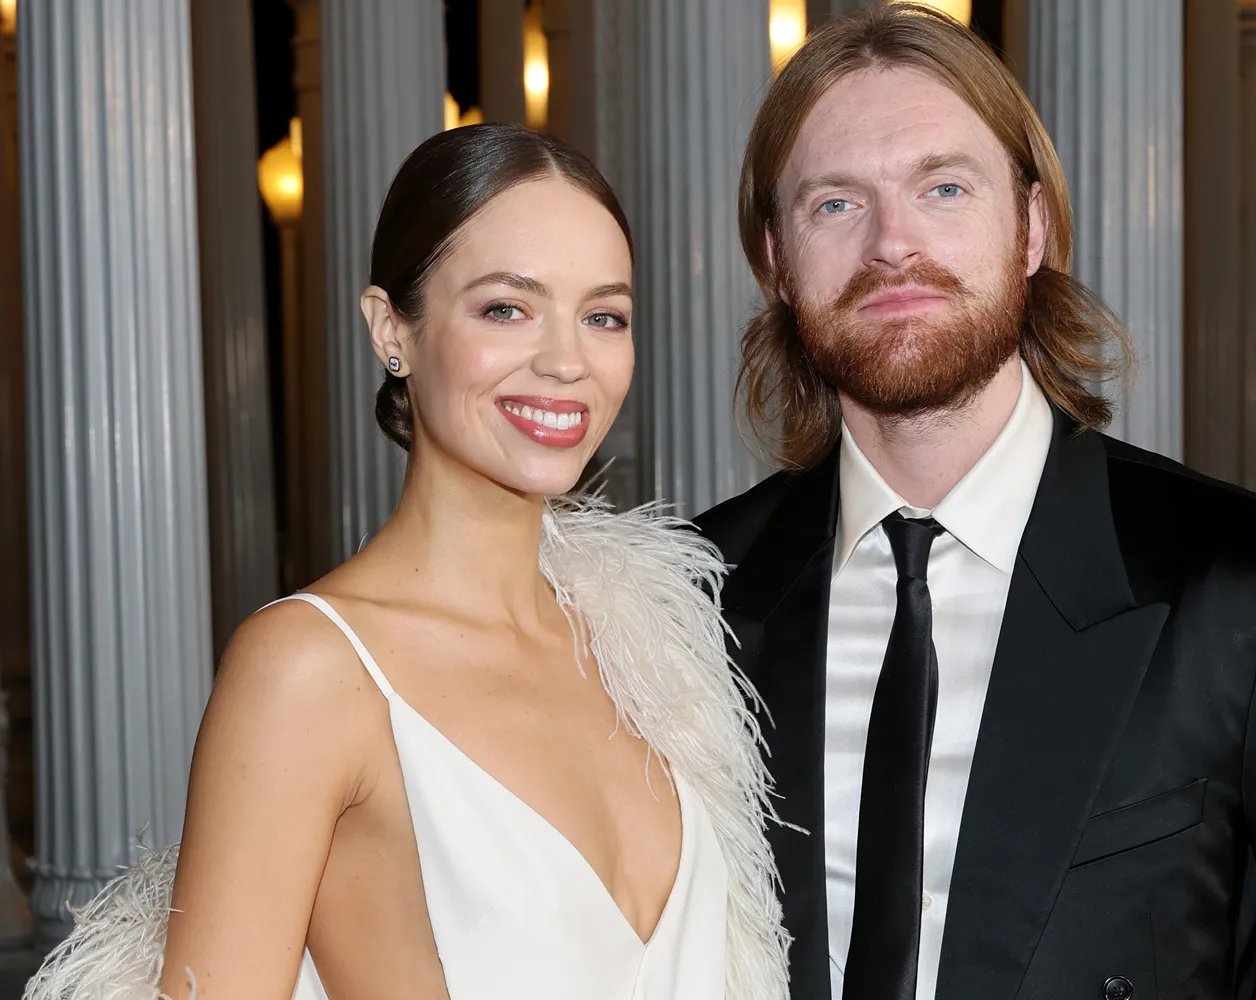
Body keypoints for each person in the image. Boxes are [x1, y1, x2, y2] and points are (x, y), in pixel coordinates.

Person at [695, 5, 1256, 999]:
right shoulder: (700, 599)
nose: (893, 243)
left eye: (943, 187)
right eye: (835, 204)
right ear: (774, 258)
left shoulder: (1246, 594)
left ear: (1031, 228)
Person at [27, 124, 788, 1000]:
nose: (566, 360)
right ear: (393, 329)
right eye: (507, 307)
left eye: (603, 316)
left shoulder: (653, 655)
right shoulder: (307, 672)